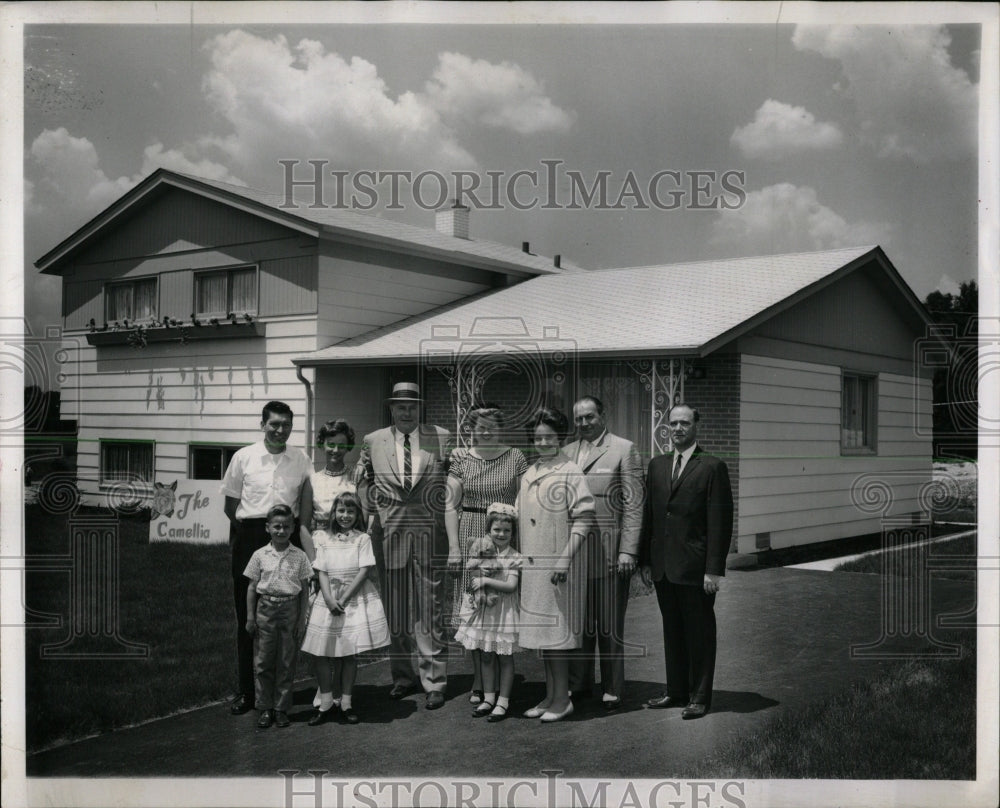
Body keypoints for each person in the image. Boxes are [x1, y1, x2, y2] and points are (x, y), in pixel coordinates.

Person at [357, 382, 452, 710]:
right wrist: (371, 514)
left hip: (430, 531)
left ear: (419, 408)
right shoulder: (373, 440)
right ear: (391, 409)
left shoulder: (441, 436)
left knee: (431, 608)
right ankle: (402, 677)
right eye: (400, 406)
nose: (406, 411)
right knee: (395, 608)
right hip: (390, 532)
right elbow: (363, 480)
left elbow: (453, 479)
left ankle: (434, 681)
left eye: (412, 405)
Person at [639, 403, 734, 720]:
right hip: (664, 567)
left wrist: (713, 569)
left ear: (696, 426)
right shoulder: (657, 465)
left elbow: (720, 522)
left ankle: (699, 696)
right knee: (672, 630)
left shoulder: (711, 466)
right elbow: (650, 515)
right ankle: (676, 690)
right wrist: (646, 560)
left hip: (695, 568)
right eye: (673, 424)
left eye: (684, 423)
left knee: (699, 632)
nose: (678, 429)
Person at [221, 401, 312, 716]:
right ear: (263, 424)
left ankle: (279, 694)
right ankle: (249, 693)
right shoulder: (243, 457)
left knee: (285, 618)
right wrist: (253, 534)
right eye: (274, 423)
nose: (280, 429)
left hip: (288, 540)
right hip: (251, 538)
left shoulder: (301, 459)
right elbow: (230, 508)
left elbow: (308, 502)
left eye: (286, 424)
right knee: (248, 619)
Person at [563, 396, 644, 710]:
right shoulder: (567, 452)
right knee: (580, 624)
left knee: (609, 624)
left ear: (602, 415)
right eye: (579, 418)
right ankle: (579, 683)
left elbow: (634, 505)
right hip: (576, 553)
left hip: (610, 553)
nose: (584, 423)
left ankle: (612, 687)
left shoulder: (624, 449)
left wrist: (629, 551)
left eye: (589, 417)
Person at [444, 404, 527, 705]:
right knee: (473, 612)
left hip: (502, 536)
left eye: (492, 426)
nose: (486, 431)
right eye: (480, 426)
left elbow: (525, 498)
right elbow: (450, 506)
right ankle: (479, 681)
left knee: (497, 610)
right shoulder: (462, 460)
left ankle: (495, 685)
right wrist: (455, 548)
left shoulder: (516, 457)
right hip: (470, 537)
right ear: (471, 429)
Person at [517, 406, 596, 723]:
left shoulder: (571, 471)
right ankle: (550, 695)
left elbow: (584, 518)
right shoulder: (530, 471)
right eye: (538, 437)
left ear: (559, 437)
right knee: (543, 638)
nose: (543, 442)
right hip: (534, 568)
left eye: (549, 436)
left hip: (559, 567)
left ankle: (563, 700)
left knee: (558, 637)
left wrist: (565, 559)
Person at [301, 491, 389, 725]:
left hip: (353, 598)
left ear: (358, 514)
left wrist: (346, 598)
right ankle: (327, 701)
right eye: (341, 511)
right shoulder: (322, 537)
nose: (345, 515)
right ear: (333, 513)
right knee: (322, 652)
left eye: (350, 511)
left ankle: (347, 702)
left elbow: (364, 571)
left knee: (349, 653)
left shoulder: (362, 539)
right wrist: (329, 599)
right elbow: (321, 570)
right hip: (328, 597)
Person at [243, 504, 314, 729]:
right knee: (263, 661)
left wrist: (302, 619)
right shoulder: (259, 555)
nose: (281, 531)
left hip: (290, 609)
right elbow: (252, 588)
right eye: (276, 527)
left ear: (293, 528)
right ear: (267, 528)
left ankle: (281, 708)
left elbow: (304, 590)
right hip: (266, 610)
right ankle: (264, 707)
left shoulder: (300, 556)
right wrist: (250, 618)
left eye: (285, 527)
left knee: (286, 660)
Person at [453, 503, 523, 723]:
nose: (501, 534)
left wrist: (486, 579)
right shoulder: (483, 550)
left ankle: (503, 700)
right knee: (486, 654)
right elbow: (472, 571)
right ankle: (489, 697)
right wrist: (477, 572)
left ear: (513, 533)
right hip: (484, 611)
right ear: (488, 530)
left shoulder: (514, 557)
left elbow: (511, 586)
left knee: (504, 656)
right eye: (496, 530)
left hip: (504, 612)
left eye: (507, 531)